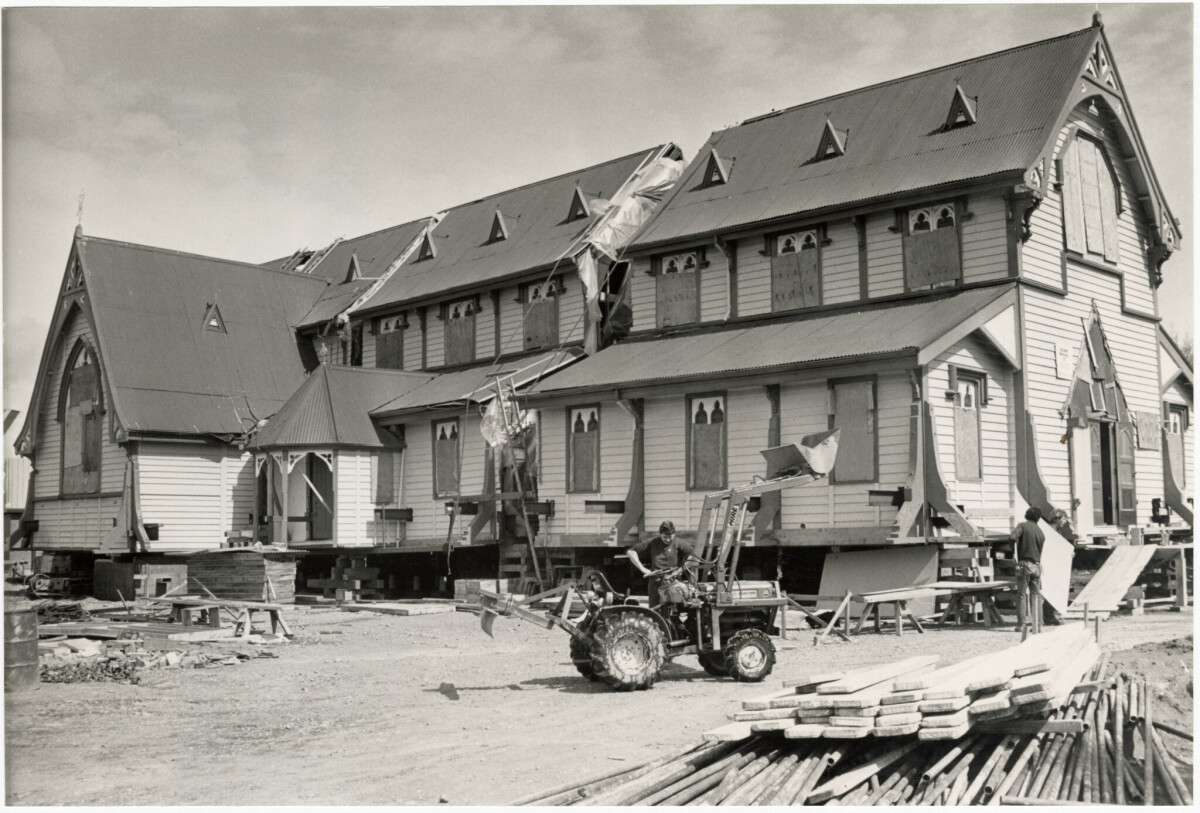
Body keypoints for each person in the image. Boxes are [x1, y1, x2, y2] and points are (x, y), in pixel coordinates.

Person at [1010, 507, 1062, 629]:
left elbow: (1012, 537)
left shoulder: (1022, 526)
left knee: (1021, 595)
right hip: (1037, 566)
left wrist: (1013, 553)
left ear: (1027, 515)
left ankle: (1021, 625)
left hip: (1024, 564)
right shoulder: (1040, 532)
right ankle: (1038, 624)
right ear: (1038, 518)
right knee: (1036, 596)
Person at [626, 521, 695, 610]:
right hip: (655, 581)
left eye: (670, 537)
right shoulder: (653, 542)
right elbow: (631, 551)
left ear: (674, 534)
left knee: (677, 609)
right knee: (654, 609)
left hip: (673, 580)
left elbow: (694, 555)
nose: (667, 540)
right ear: (660, 534)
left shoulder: (678, 543)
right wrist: (642, 569)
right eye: (664, 537)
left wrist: (678, 571)